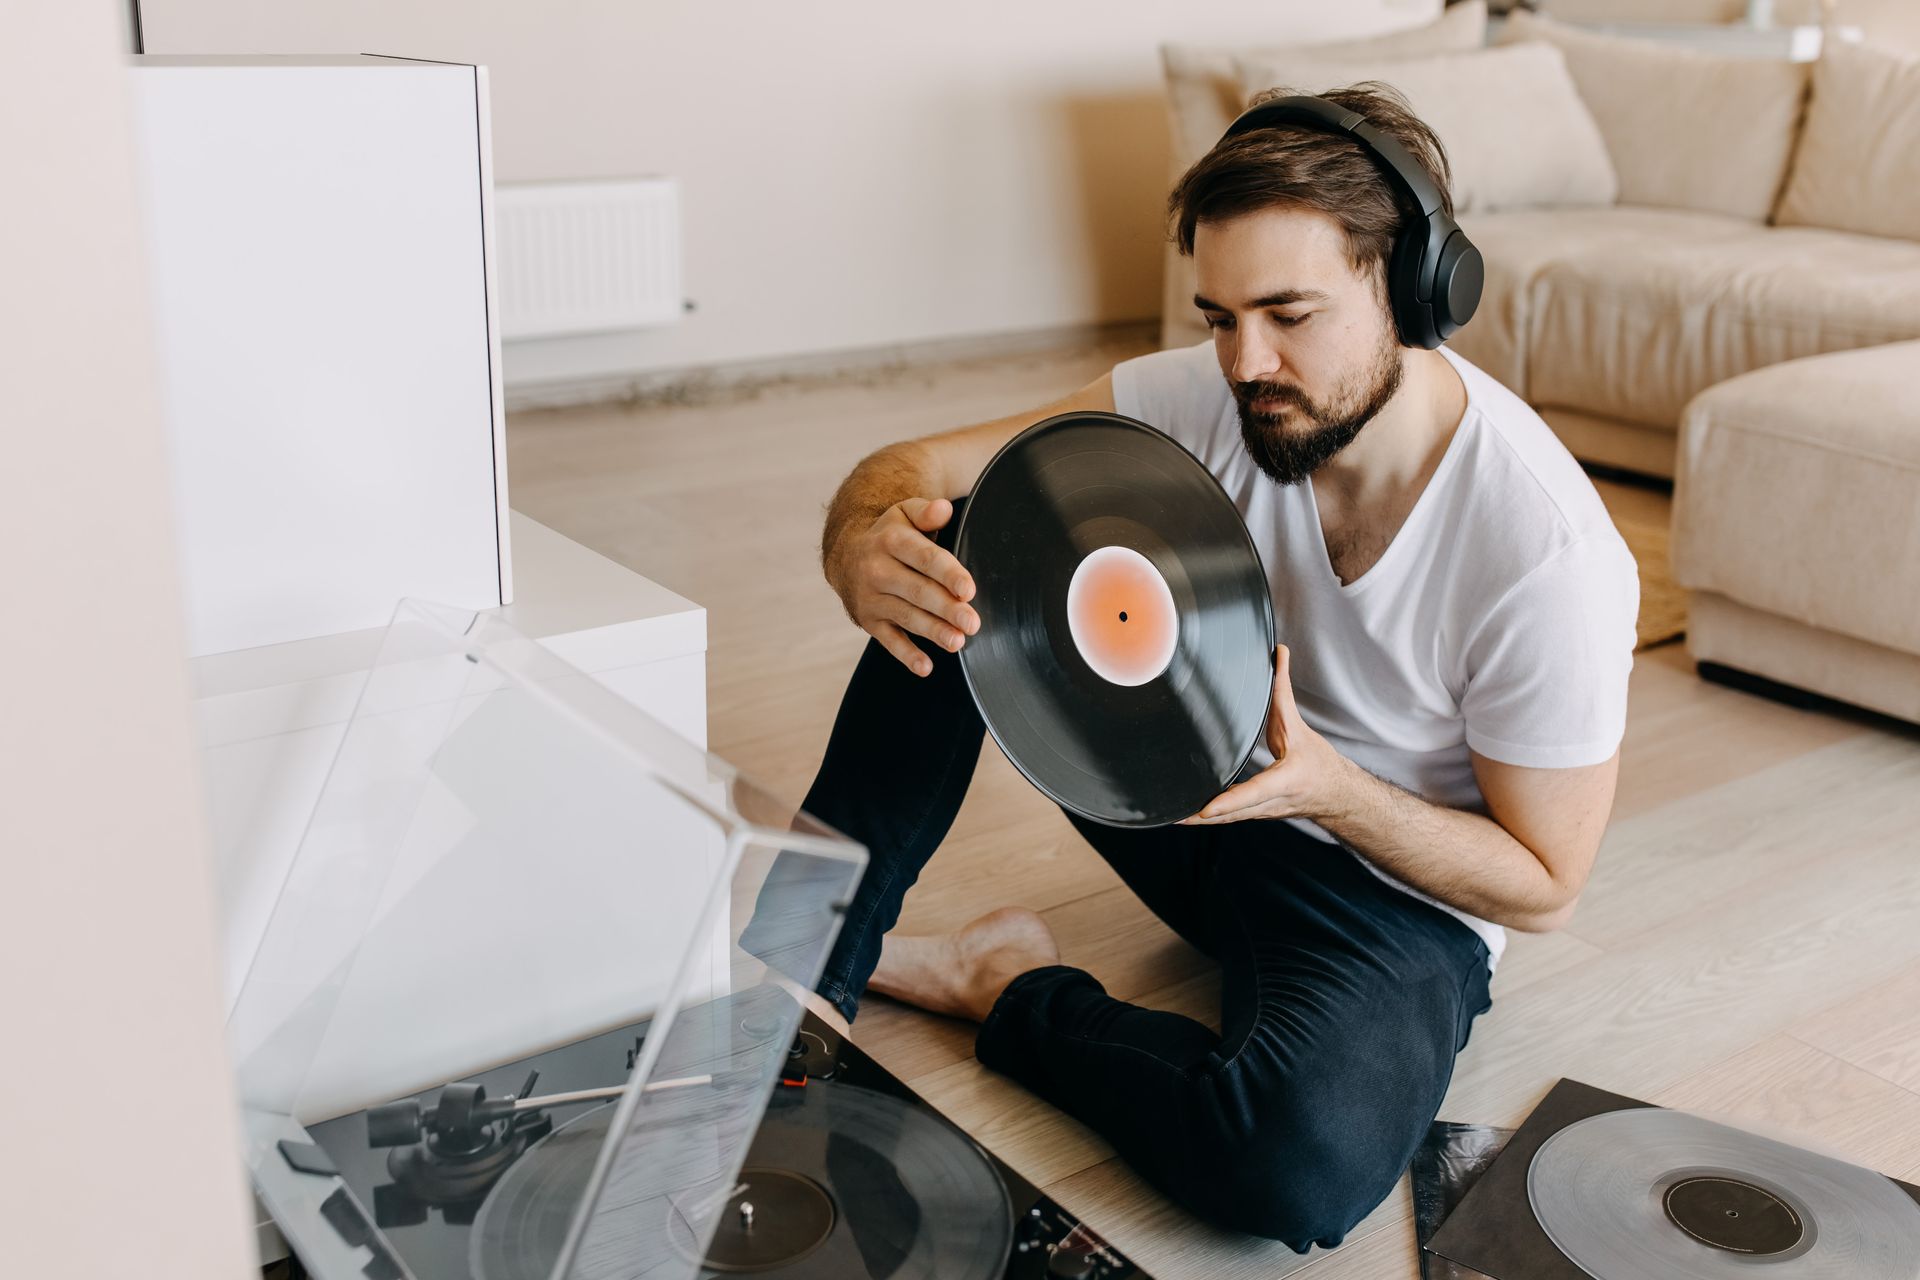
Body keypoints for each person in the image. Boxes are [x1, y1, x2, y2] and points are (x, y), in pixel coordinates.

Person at [798, 83, 1638, 1250]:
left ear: (1411, 288)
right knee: (950, 543)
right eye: (1219, 317)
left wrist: (1330, 787)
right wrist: (857, 540)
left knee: (1295, 1166)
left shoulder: (1542, 549)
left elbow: (1546, 882)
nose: (1248, 363)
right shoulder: (1212, 393)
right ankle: (796, 987)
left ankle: (1007, 986)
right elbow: (916, 466)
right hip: (1190, 782)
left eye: (1290, 314)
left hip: (1388, 892)